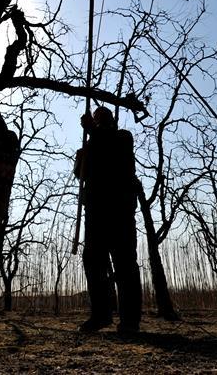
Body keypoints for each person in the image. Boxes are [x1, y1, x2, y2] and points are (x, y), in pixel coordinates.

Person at [74, 106, 142, 334]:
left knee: (125, 265)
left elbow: (112, 147)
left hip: (119, 211)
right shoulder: (91, 145)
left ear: (112, 120)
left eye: (103, 119)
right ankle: (101, 315)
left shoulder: (122, 137)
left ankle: (130, 321)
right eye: (97, 120)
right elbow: (80, 174)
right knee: (94, 263)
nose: (99, 123)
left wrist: (94, 132)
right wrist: (82, 157)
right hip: (95, 213)